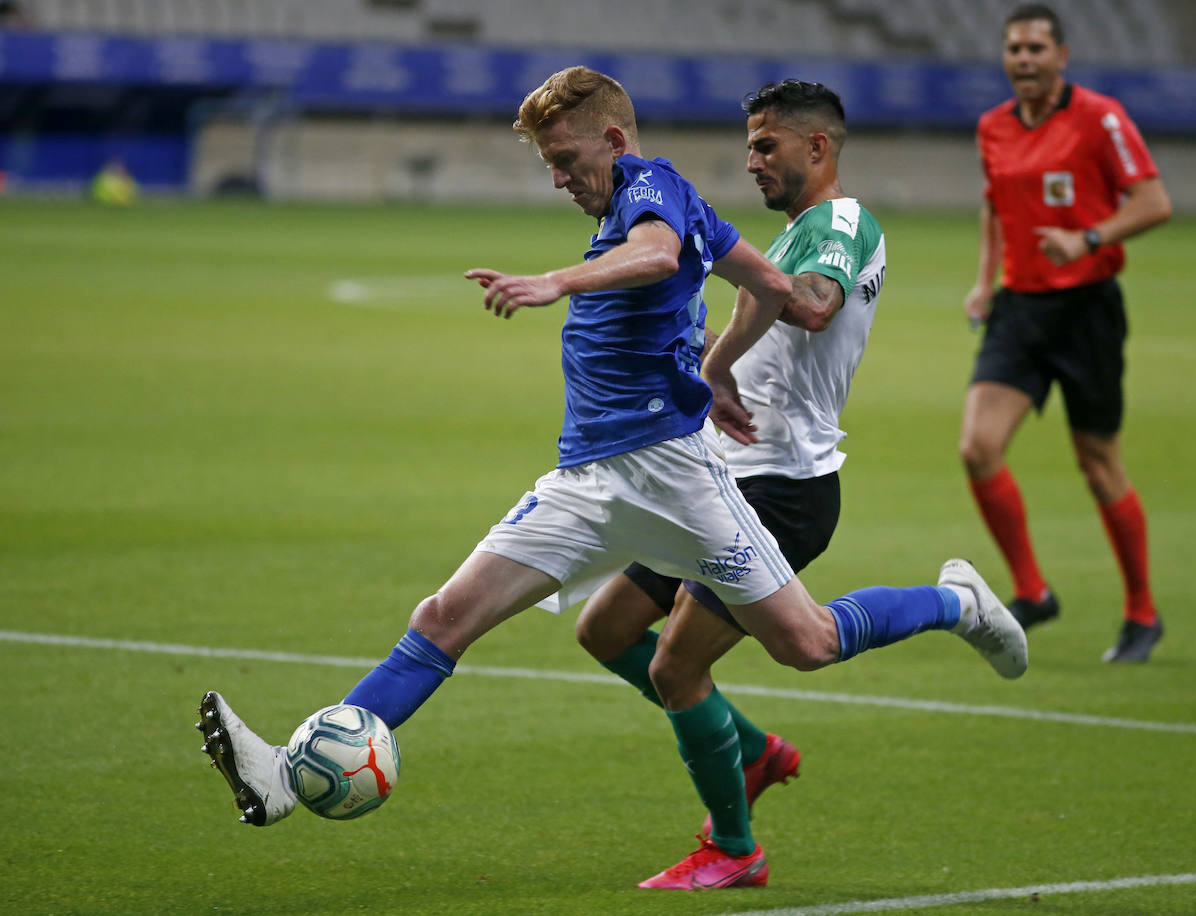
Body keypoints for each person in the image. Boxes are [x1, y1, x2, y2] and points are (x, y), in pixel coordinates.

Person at [196, 67, 1027, 878]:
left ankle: (953, 603)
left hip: (681, 477)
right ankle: (279, 776)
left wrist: (558, 281)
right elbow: (762, 280)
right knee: (449, 614)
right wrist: (718, 363)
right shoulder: (684, 209)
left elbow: (665, 256)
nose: (560, 180)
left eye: (567, 162)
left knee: (802, 643)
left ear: (616, 141)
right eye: (550, 166)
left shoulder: (653, 193)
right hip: (588, 481)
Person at [574, 79, 887, 889]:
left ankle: (736, 850)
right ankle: (750, 749)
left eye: (764, 144)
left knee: (683, 667)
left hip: (785, 485)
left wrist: (717, 284)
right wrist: (692, 342)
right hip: (717, 478)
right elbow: (767, 325)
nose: (751, 160)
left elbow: (811, 307)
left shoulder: (842, 224)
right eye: (750, 144)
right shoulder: (788, 240)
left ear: (817, 148)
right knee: (605, 631)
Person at [959, 4, 1172, 663]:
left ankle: (1142, 612)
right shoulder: (992, 127)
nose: (1023, 59)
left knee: (1097, 463)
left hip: (1087, 310)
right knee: (978, 447)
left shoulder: (1100, 118)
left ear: (1062, 56)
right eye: (1014, 49)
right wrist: (984, 279)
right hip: (1019, 309)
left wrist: (1087, 237)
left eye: (1035, 49)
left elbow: (1153, 202)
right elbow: (996, 204)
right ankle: (1033, 590)